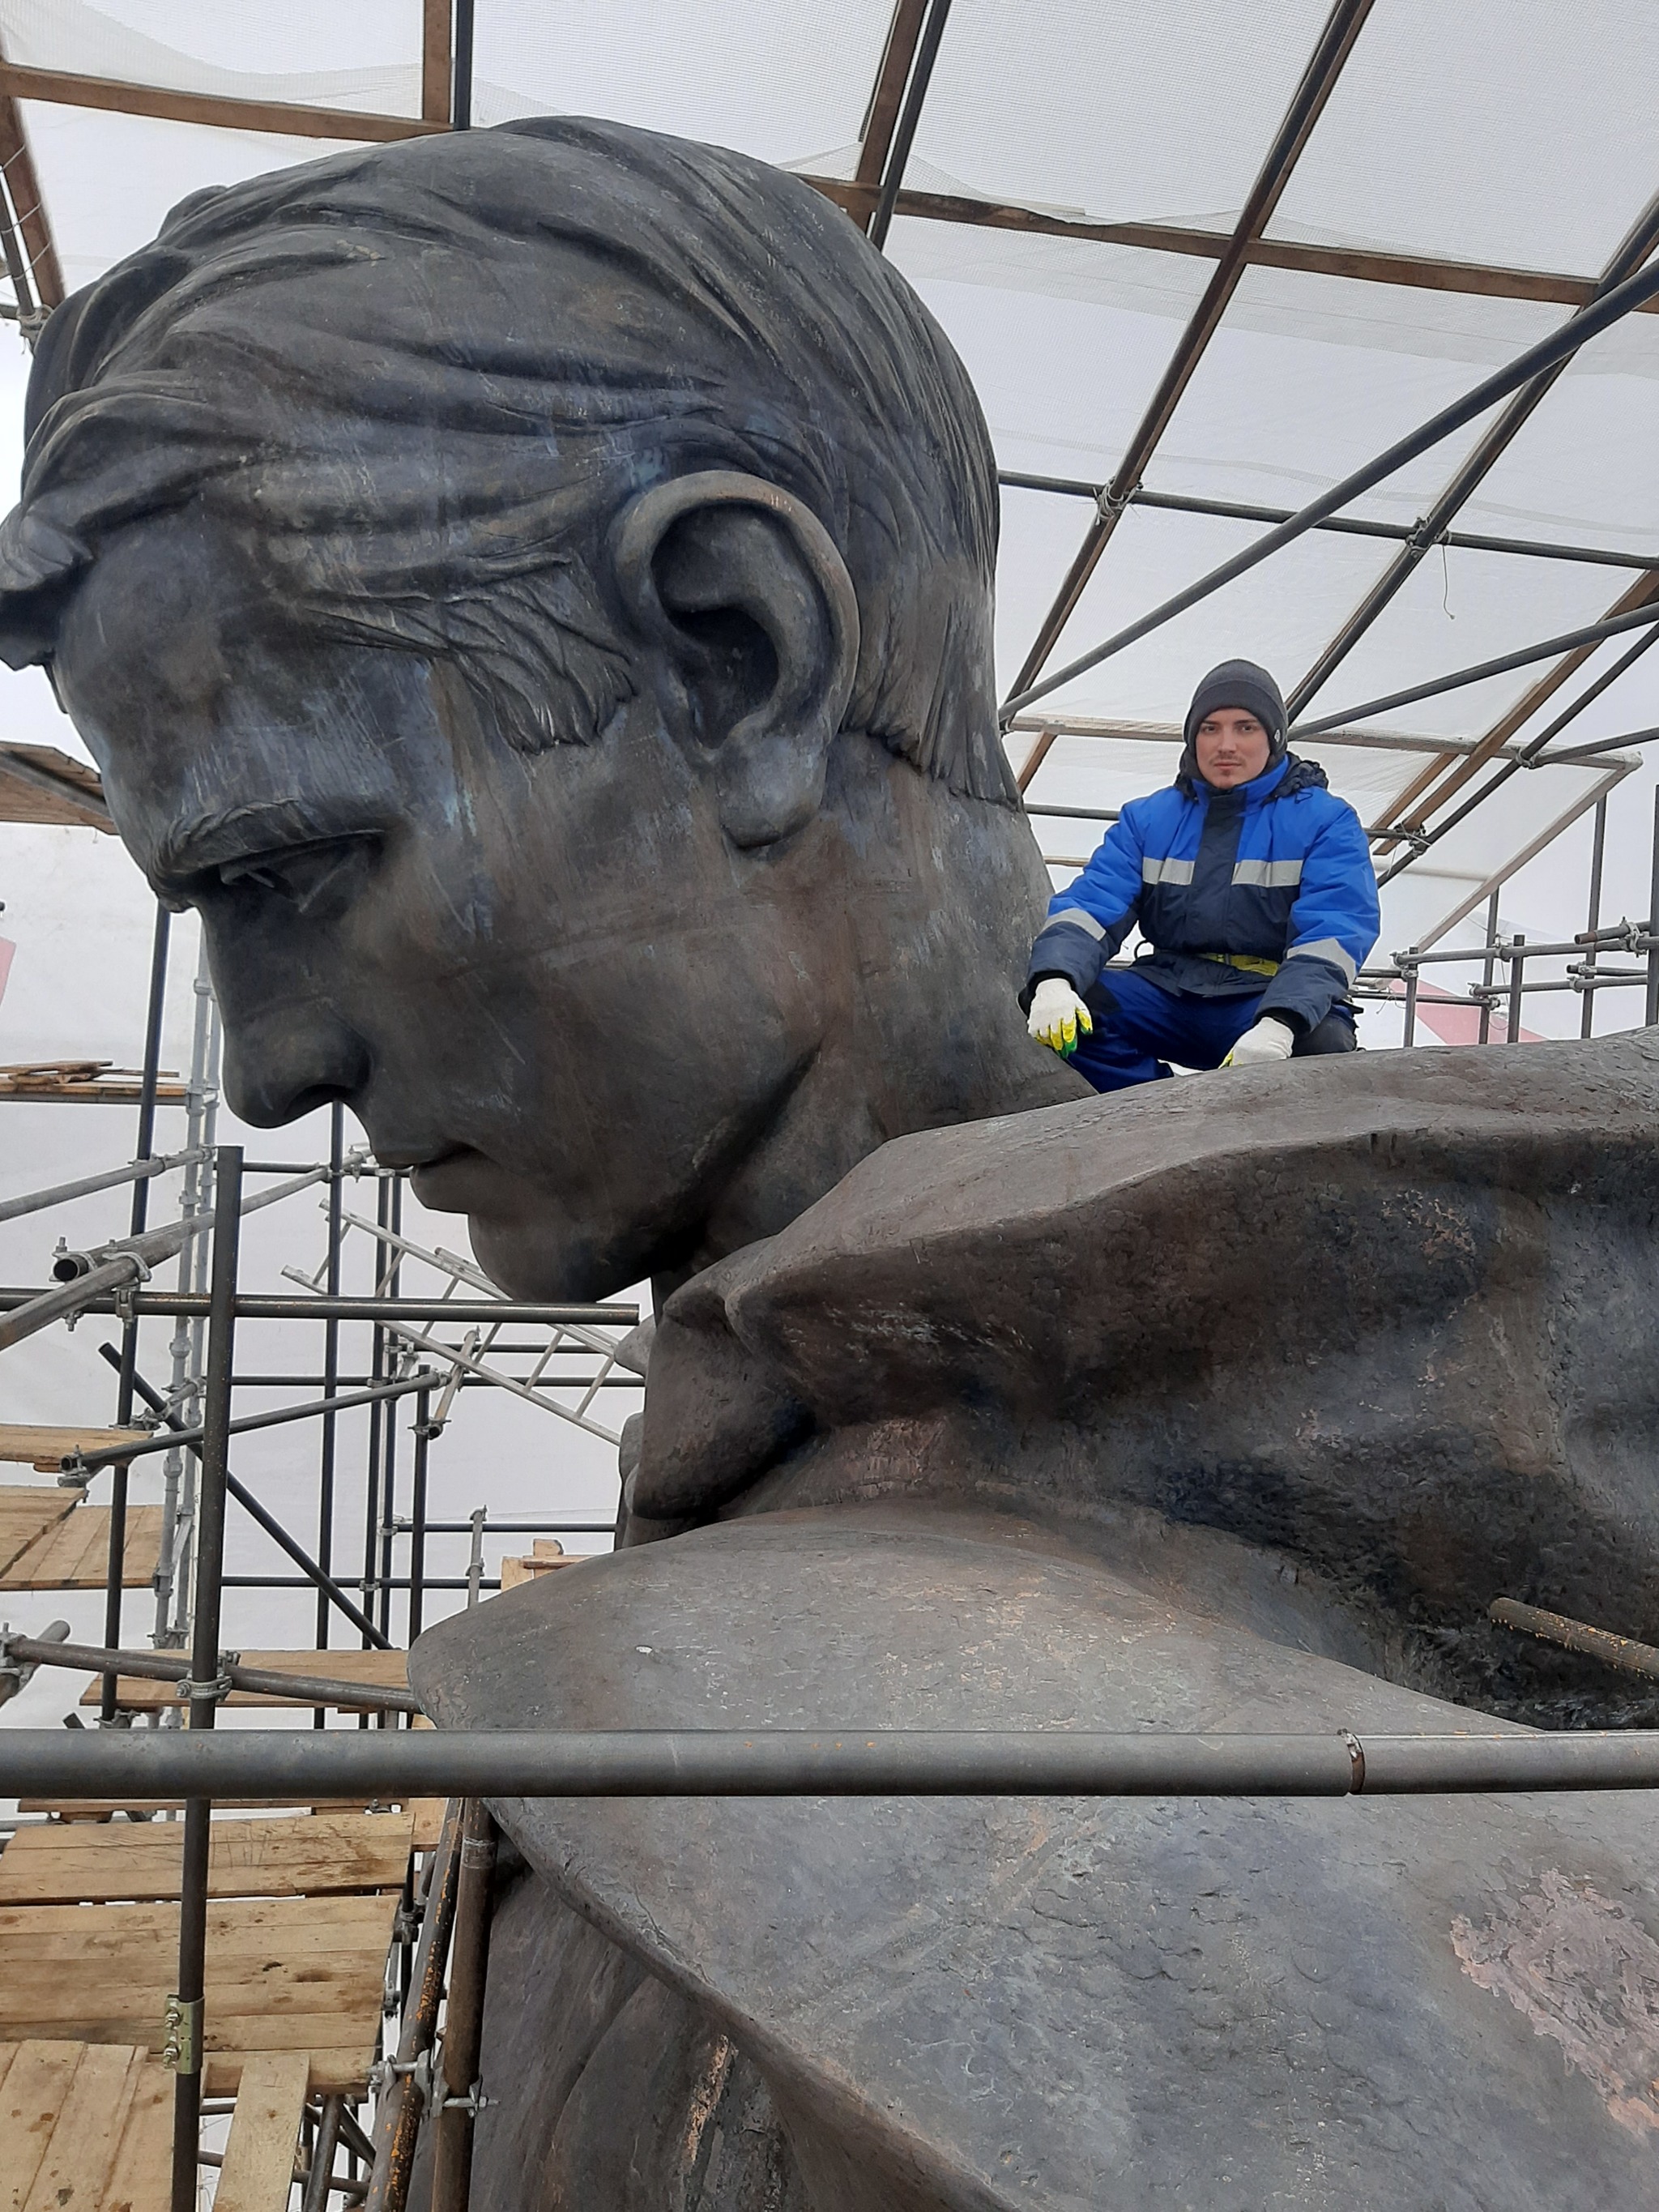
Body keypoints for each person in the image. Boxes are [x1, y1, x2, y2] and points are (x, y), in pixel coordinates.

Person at [1024, 659, 1380, 1090]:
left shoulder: (1327, 821)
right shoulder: (1148, 819)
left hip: (1265, 997)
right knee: (1073, 1009)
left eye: (1245, 727)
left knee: (1322, 1044)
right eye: (1209, 728)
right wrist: (1054, 981)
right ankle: (1154, 1113)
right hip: (1171, 993)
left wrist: (1280, 1024)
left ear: (1276, 738)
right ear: (1192, 739)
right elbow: (1091, 907)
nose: (1225, 744)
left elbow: (1336, 931)